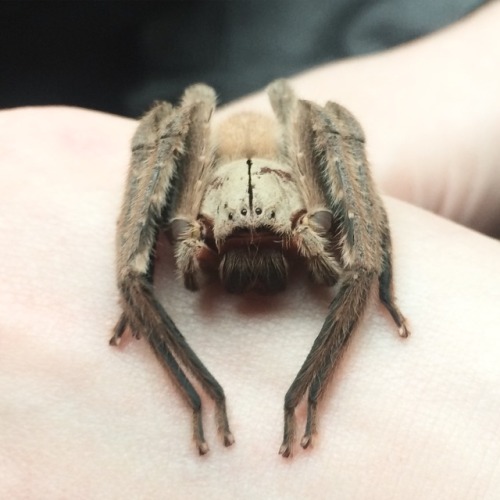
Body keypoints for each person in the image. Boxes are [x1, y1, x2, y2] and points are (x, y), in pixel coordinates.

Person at [0, 2, 498, 497]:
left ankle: (298, 397)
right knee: (175, 115)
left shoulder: (307, 184)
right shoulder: (192, 201)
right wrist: (136, 271)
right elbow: (160, 145)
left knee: (324, 117)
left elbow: (359, 251)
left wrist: (377, 278)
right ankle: (203, 398)